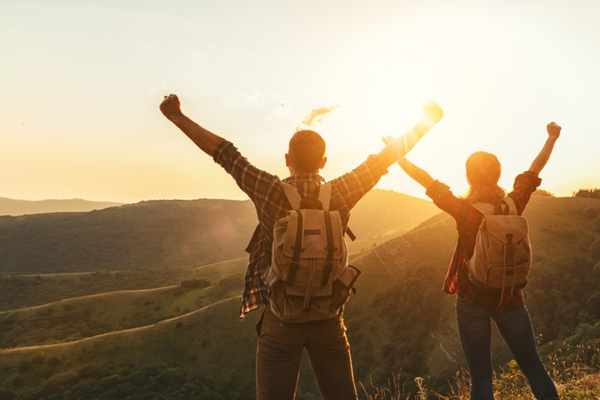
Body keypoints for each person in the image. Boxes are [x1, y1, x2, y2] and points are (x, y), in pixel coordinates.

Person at [159, 94, 431, 400]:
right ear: (324, 162)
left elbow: (225, 154)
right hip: (328, 318)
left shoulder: (270, 190)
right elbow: (383, 160)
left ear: (288, 159)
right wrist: (427, 122)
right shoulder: (341, 191)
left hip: (281, 319)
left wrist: (177, 117)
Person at [388, 122, 562, 399]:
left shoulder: (464, 210)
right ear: (498, 175)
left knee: (481, 378)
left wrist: (398, 157)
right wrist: (552, 139)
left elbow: (426, 180)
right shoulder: (513, 203)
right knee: (534, 368)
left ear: (469, 177)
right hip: (511, 296)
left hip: (473, 299)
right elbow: (535, 168)